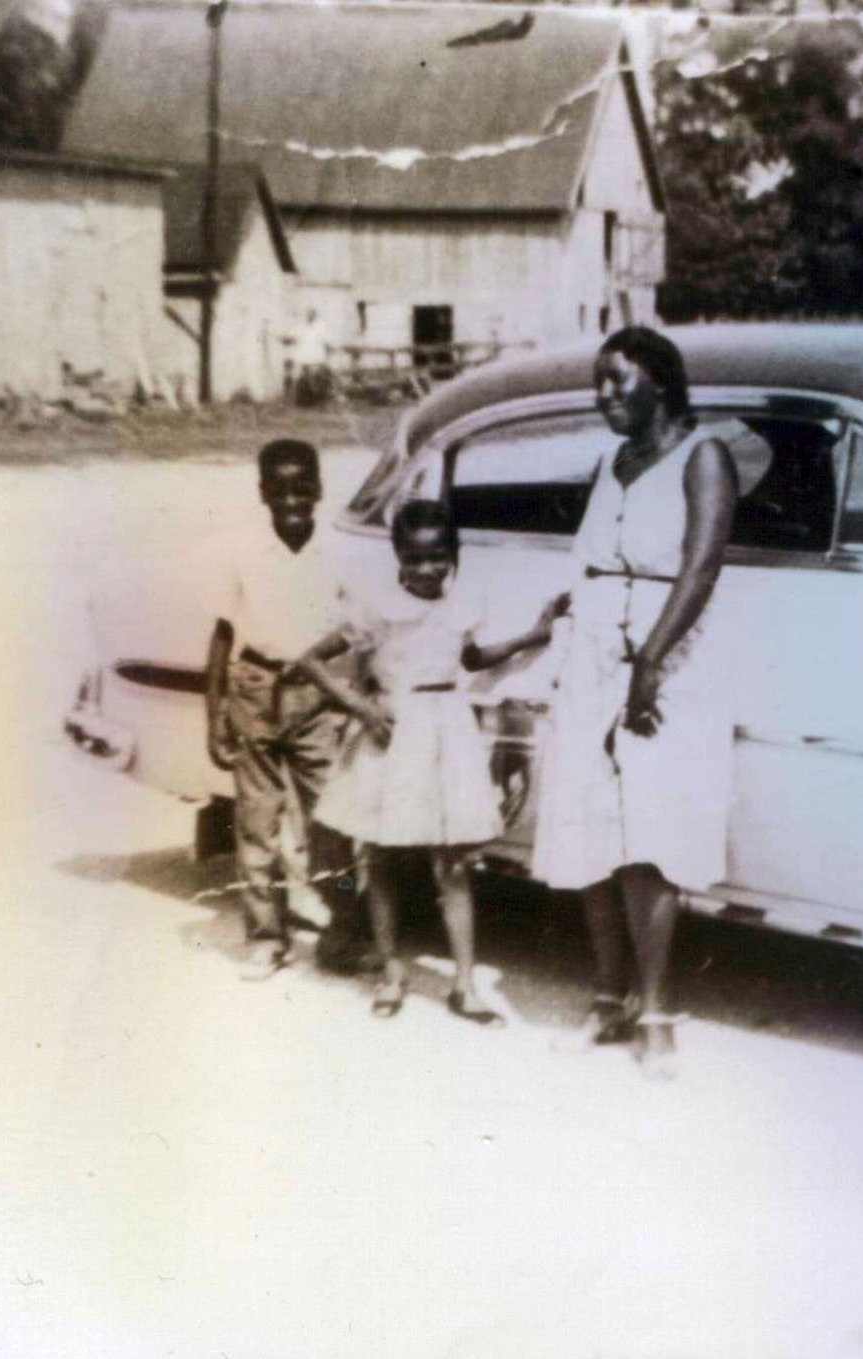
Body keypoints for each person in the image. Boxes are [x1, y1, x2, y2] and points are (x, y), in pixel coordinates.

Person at [532, 326, 738, 1075]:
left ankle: (654, 1013)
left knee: (649, 839)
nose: (603, 395)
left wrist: (648, 664)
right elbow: (591, 564)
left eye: (617, 380)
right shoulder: (610, 462)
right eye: (598, 382)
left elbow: (701, 567)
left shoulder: (703, 457)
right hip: (591, 662)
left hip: (665, 664)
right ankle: (607, 999)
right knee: (590, 833)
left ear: (663, 382)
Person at [294, 500, 566, 1023]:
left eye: (437, 556)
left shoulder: (462, 603)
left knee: (453, 865)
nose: (426, 568)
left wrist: (536, 634)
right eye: (415, 558)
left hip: (448, 733)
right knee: (383, 860)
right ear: (398, 555)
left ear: (453, 554)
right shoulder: (377, 606)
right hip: (395, 734)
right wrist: (361, 706)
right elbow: (310, 661)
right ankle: (392, 973)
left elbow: (472, 658)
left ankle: (464, 985)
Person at [203, 439, 372, 980]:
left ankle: (343, 934)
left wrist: (350, 697)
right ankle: (266, 936)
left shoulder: (340, 551)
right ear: (263, 494)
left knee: (332, 826)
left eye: (302, 488)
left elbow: (359, 632)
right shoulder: (241, 552)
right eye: (280, 491)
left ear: (319, 489)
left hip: (317, 696)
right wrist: (214, 716)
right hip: (255, 690)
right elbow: (222, 637)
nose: (292, 500)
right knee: (258, 826)